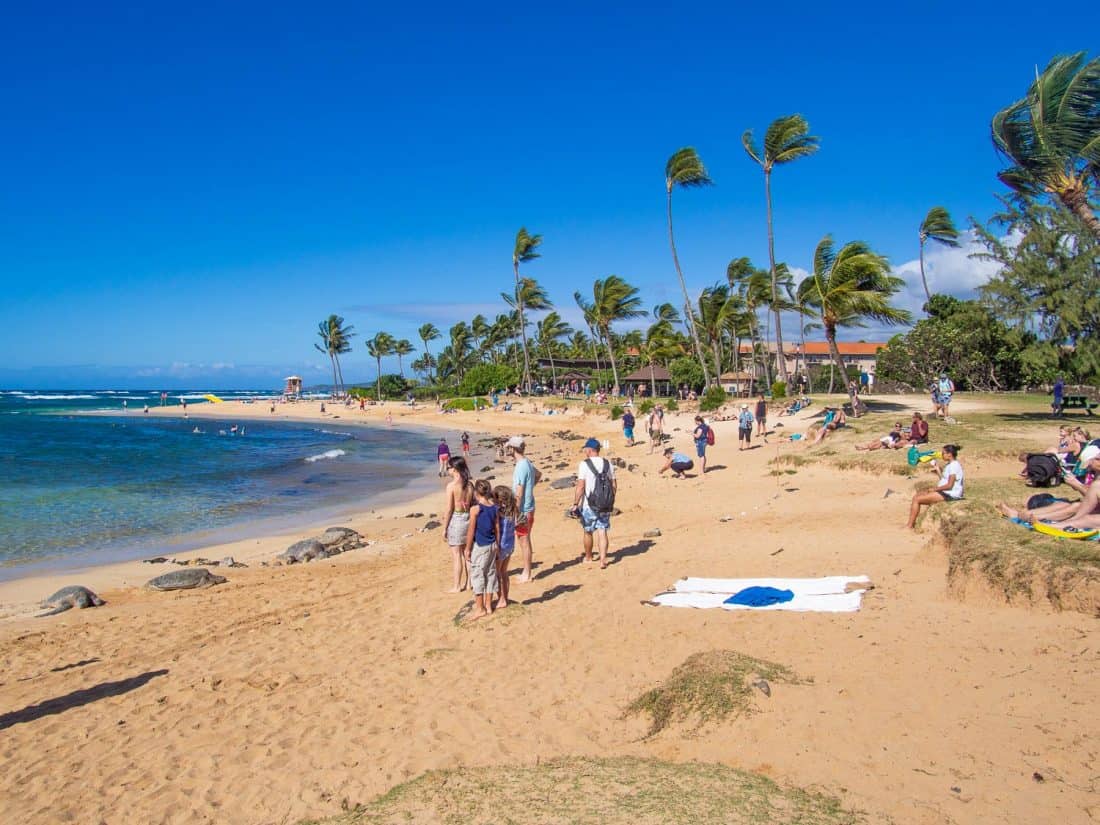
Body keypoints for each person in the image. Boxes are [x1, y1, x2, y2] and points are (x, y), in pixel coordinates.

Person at [572, 438, 617, 568]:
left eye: (585, 449)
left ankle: (588, 557)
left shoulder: (584, 464)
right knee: (602, 530)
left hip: (588, 504)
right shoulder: (607, 463)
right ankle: (603, 559)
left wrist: (575, 503)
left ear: (590, 450)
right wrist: (611, 498)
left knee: (588, 531)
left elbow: (581, 486)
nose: (584, 451)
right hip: (605, 503)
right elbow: (613, 484)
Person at [507, 436, 541, 583]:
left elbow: (519, 493)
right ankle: (526, 571)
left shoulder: (521, 466)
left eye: (508, 447)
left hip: (522, 510)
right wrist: (530, 487)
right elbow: (538, 474)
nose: (507, 449)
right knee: (525, 539)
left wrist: (514, 511)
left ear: (513, 449)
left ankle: (527, 573)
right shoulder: (527, 462)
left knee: (524, 541)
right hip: (529, 507)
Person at [464, 480, 499, 621]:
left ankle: (480, 608)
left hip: (481, 546)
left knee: (478, 575)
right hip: (492, 545)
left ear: (476, 493)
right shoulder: (494, 507)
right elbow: (497, 528)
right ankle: (488, 605)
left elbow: (471, 530)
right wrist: (498, 544)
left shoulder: (476, 509)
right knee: (490, 574)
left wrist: (467, 548)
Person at [907, 444, 964, 529]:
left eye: (943, 453)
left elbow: (950, 485)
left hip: (950, 494)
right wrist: (937, 470)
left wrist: (934, 489)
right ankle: (912, 523)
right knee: (917, 495)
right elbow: (944, 480)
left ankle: (909, 526)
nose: (941, 455)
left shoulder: (954, 466)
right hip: (946, 492)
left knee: (917, 499)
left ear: (949, 454)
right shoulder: (950, 465)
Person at [442, 457, 473, 593]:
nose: (448, 469)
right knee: (467, 553)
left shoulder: (452, 486)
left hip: (457, 519)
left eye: (449, 467)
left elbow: (449, 509)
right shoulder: (470, 485)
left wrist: (444, 528)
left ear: (454, 469)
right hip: (468, 518)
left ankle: (457, 586)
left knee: (457, 555)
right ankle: (469, 583)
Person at [493, 485, 518, 609]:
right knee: (504, 572)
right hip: (510, 544)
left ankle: (501, 598)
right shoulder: (513, 509)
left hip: (501, 545)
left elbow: (497, 529)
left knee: (497, 573)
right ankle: (505, 597)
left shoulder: (498, 511)